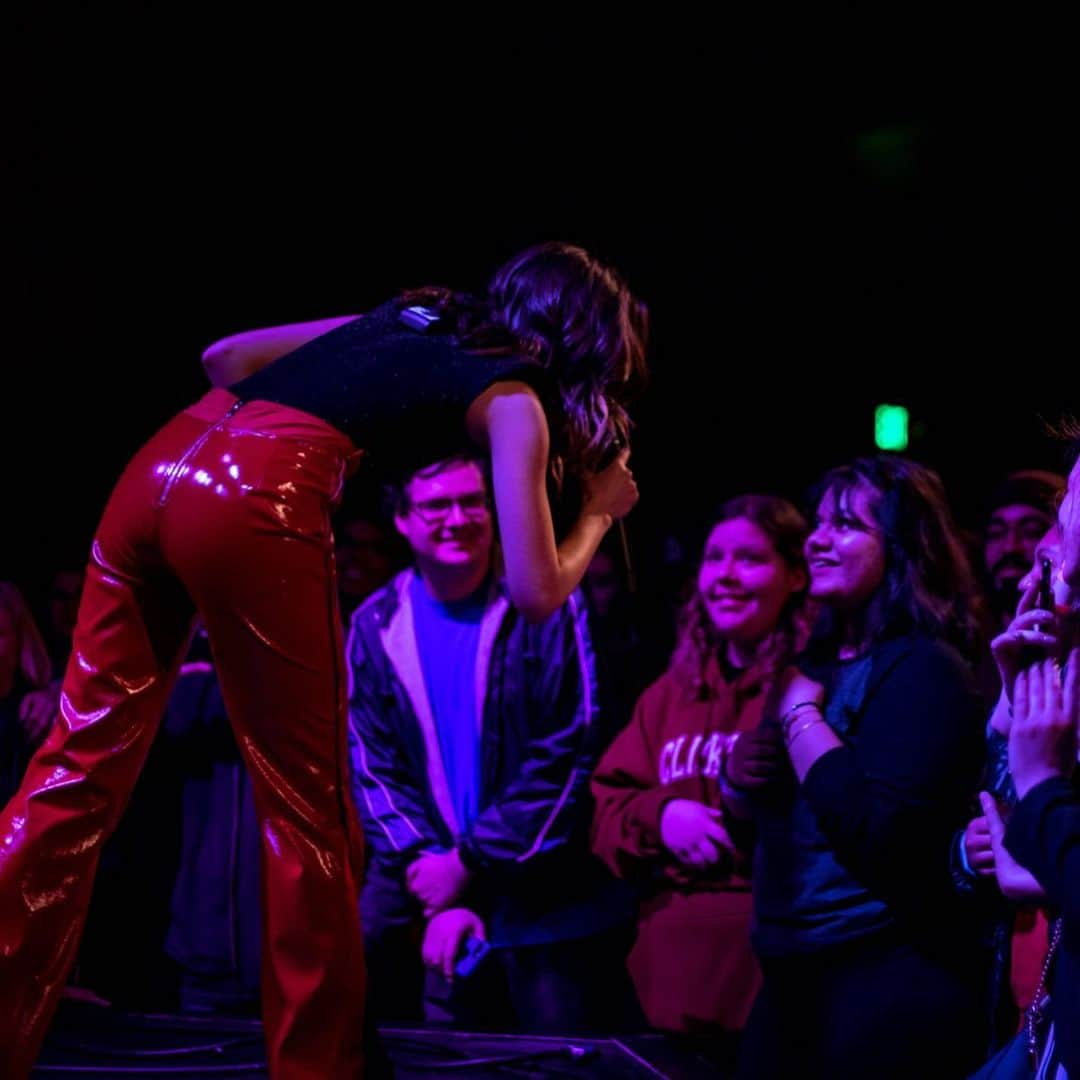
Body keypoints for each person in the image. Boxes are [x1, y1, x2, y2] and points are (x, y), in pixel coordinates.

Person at [0, 241, 647, 1079]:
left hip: (157, 465)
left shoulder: (422, 310)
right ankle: (319, 1067)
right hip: (253, 492)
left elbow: (223, 358)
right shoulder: (517, 398)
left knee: (74, 767)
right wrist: (595, 512)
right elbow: (533, 590)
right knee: (308, 809)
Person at [350, 450, 635, 1033]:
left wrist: (470, 862)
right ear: (402, 521)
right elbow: (371, 761)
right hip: (424, 884)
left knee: (548, 1055)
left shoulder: (545, 603)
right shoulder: (375, 623)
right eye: (435, 505)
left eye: (471, 501)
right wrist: (430, 869)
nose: (457, 517)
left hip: (539, 894)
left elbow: (569, 744)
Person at [733, 456, 989, 1080]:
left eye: (846, 525)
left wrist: (800, 723)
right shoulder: (811, 664)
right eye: (818, 524)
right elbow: (780, 832)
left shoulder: (926, 668)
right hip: (794, 976)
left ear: (901, 547)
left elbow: (882, 836)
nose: (818, 539)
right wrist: (735, 784)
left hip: (881, 981)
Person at [590, 496, 808, 1065]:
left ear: (796, 575)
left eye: (751, 559)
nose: (727, 577)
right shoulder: (672, 691)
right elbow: (607, 806)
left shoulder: (810, 686)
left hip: (766, 983)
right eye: (715, 559)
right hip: (658, 989)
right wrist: (663, 816)